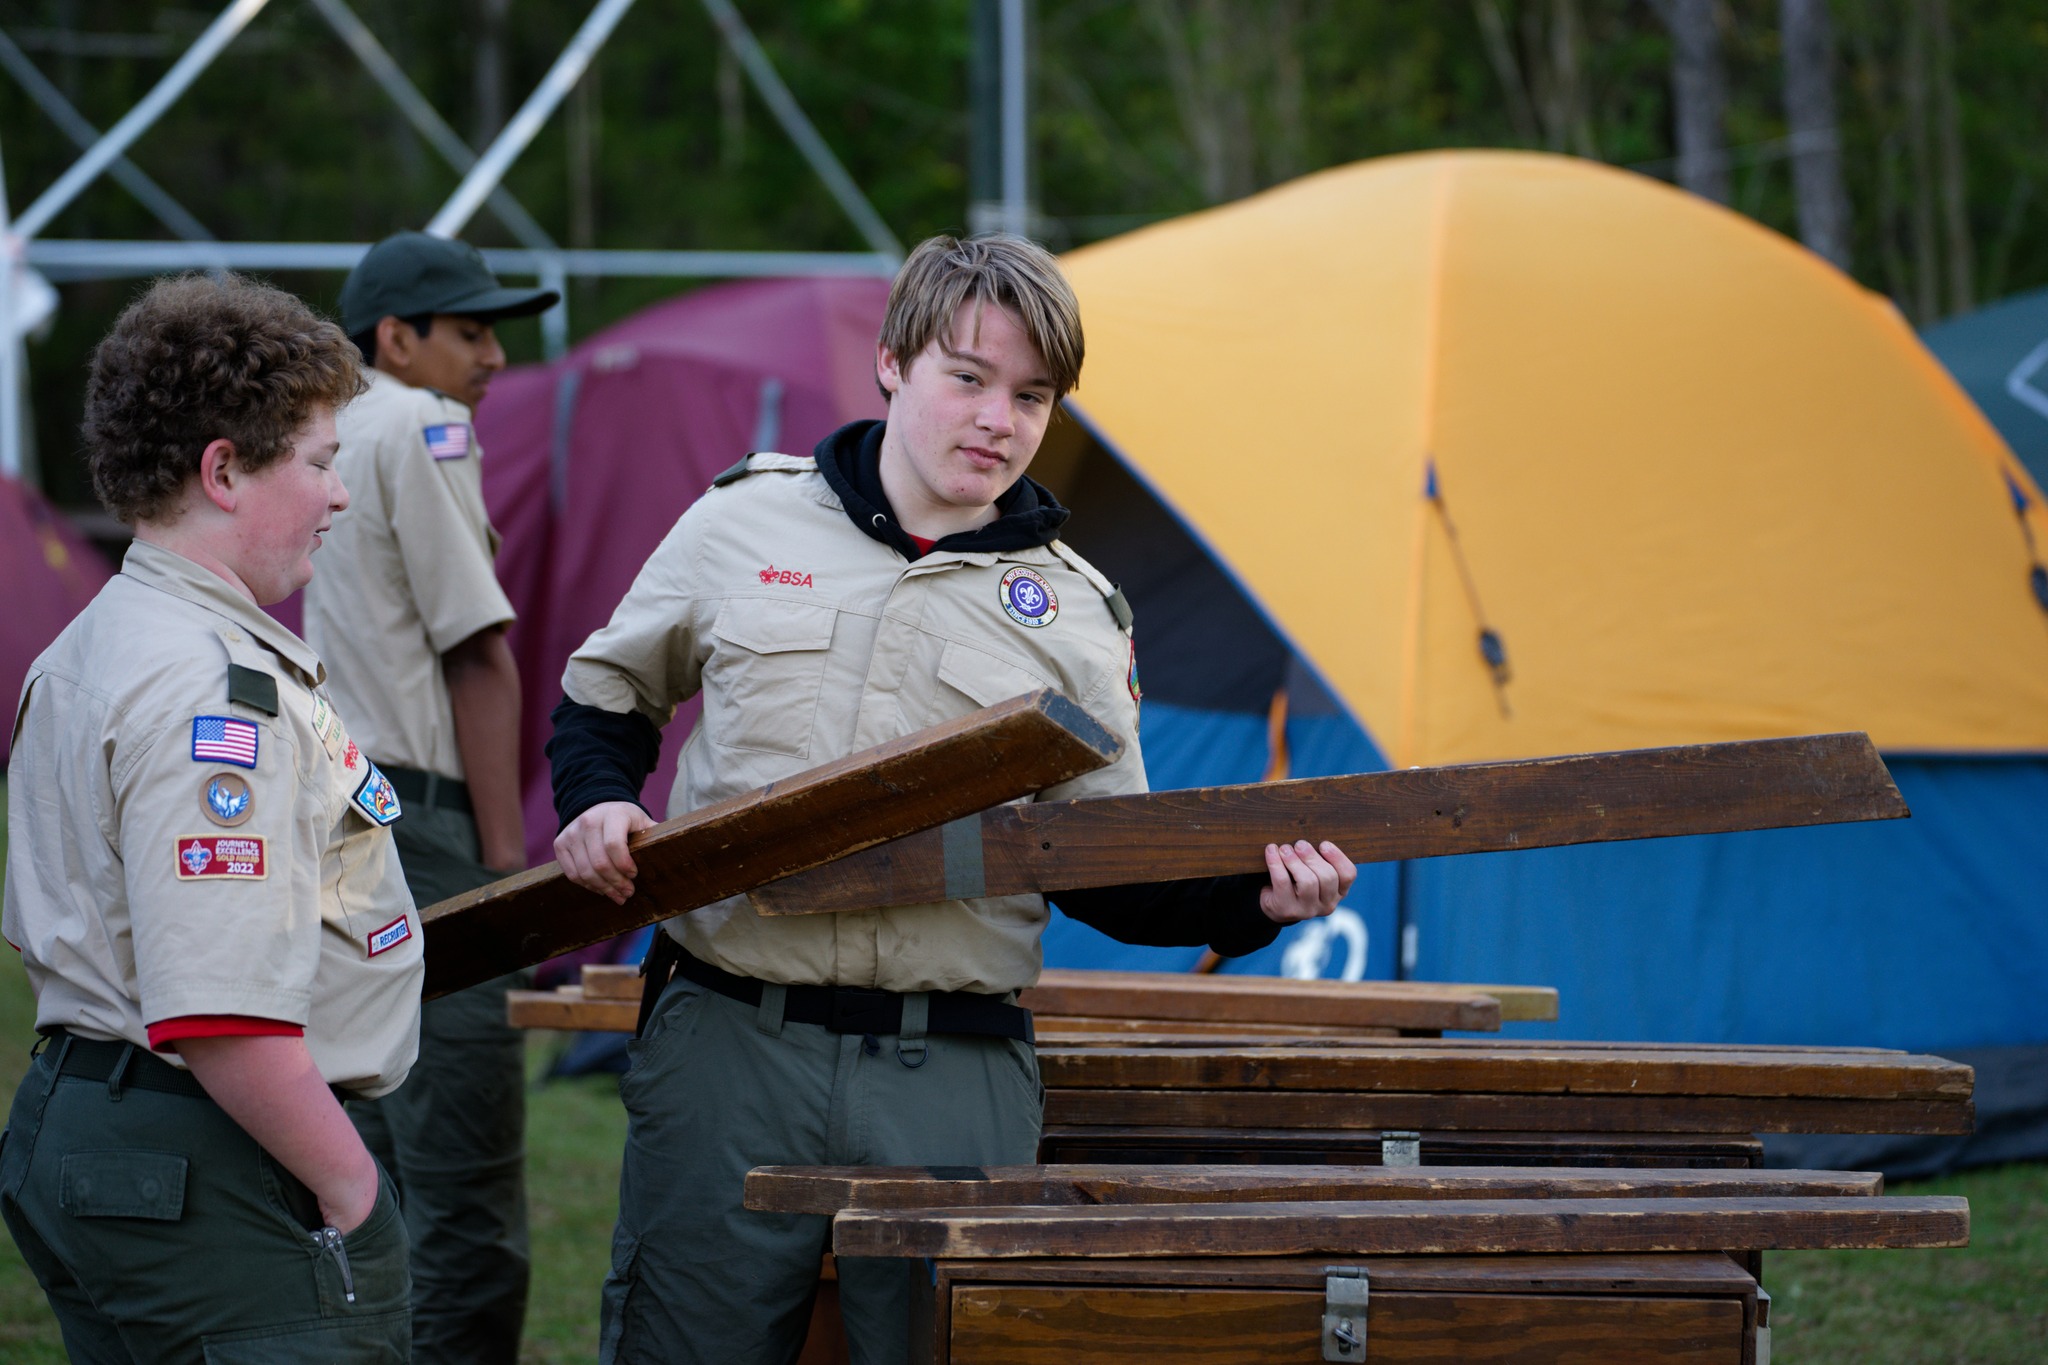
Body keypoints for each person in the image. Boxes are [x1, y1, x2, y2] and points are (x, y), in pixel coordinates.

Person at [546, 234, 1359, 1364]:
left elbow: (1097, 872)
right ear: (891, 363)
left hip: (949, 1075)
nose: (997, 419)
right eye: (967, 378)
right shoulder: (741, 522)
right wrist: (596, 801)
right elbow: (608, 695)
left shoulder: (1075, 616)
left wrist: (1251, 902)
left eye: (1031, 396)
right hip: (729, 1048)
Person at [0, 273, 421, 1361]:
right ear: (224, 470)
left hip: (108, 1118)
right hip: (214, 1151)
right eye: (320, 462)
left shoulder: (102, 635)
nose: (338, 497)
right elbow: (218, 1010)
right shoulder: (207, 690)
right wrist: (352, 1191)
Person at [301, 229, 556, 1364]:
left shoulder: (303, 436)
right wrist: (504, 872)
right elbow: (478, 649)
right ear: (394, 340)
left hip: (308, 828)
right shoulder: (419, 420)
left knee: (355, 1168)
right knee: (467, 1187)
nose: (494, 356)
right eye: (470, 331)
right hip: (416, 828)